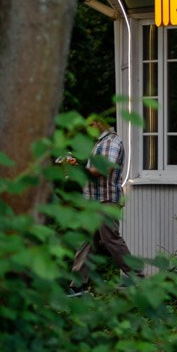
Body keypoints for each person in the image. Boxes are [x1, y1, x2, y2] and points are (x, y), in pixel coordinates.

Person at [66, 118, 131, 293]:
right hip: (94, 201)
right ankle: (78, 286)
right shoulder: (101, 143)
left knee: (110, 239)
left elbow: (104, 169)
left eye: (91, 124)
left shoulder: (112, 141)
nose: (88, 128)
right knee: (87, 241)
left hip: (106, 201)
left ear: (99, 123)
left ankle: (138, 277)